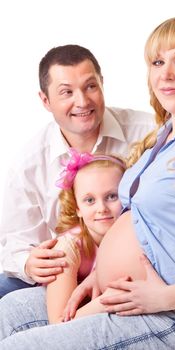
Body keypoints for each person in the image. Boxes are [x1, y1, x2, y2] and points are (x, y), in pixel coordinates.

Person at [0, 16, 175, 350]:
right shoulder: (165, 136)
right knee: (6, 313)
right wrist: (97, 277)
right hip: (123, 294)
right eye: (157, 62)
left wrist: (163, 298)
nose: (165, 74)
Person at [0, 44, 155, 297]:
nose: (82, 101)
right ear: (45, 100)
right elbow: (14, 244)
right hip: (67, 268)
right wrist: (28, 262)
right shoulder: (28, 166)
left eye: (90, 86)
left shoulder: (149, 132)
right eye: (66, 92)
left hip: (136, 262)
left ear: (102, 84)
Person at [46, 149, 126, 323]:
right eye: (90, 200)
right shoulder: (68, 248)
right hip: (70, 312)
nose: (101, 208)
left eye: (112, 196)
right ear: (78, 209)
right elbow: (57, 323)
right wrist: (104, 303)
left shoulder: (135, 238)